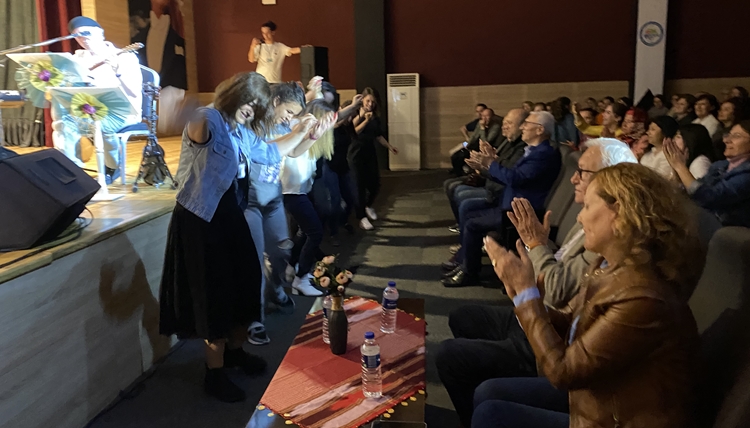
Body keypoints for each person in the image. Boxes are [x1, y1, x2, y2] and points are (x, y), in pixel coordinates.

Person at [476, 162, 702, 428]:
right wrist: (524, 295)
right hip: (600, 398)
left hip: (619, 417)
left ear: (620, 212)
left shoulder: (644, 297)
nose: (580, 218)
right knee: (488, 393)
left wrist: (527, 297)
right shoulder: (608, 266)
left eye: (587, 207)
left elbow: (563, 372)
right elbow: (575, 324)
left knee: (491, 413)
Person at [436, 138, 636, 428]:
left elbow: (565, 366)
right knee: (463, 319)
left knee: (481, 394)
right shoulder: (603, 242)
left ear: (615, 200)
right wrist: (525, 289)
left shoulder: (634, 282)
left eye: (582, 172)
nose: (579, 215)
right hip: (558, 337)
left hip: (601, 402)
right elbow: (571, 310)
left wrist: (527, 291)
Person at [159, 72, 279, 402]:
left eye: (258, 106)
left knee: (246, 282)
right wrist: (182, 108)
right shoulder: (209, 118)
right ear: (236, 93)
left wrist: (307, 133)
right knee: (214, 294)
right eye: (250, 101)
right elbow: (196, 122)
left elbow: (270, 152)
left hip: (228, 216)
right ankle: (214, 373)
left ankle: (235, 353)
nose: (252, 109)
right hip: (200, 221)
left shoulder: (238, 128)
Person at [239, 82, 331, 345]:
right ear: (275, 101)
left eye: (294, 114)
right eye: (289, 111)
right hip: (251, 202)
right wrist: (299, 130)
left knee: (282, 252)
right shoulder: (254, 125)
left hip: (273, 199)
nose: (289, 117)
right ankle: (255, 319)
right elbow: (266, 149)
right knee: (255, 260)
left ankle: (277, 288)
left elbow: (292, 151)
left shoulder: (283, 126)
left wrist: (313, 136)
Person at [442, 111, 561, 287]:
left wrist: (490, 164)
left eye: (527, 124)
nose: (523, 127)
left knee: (472, 223)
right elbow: (511, 178)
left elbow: (515, 178)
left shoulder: (543, 154)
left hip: (521, 212)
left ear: (540, 130)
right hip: (511, 204)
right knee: (469, 215)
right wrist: (488, 165)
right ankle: (464, 263)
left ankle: (469, 273)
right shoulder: (534, 151)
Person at [52, 17, 143, 183]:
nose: (83, 38)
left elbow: (134, 92)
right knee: (65, 122)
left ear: (101, 33)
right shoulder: (76, 60)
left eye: (87, 33)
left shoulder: (124, 57)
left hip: (123, 111)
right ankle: (71, 169)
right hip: (89, 110)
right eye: (77, 36)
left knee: (103, 123)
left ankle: (112, 168)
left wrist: (116, 71)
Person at [282, 99, 337, 292]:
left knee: (304, 231)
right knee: (315, 233)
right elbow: (293, 151)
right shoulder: (299, 127)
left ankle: (292, 266)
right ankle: (301, 279)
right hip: (291, 192)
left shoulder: (310, 131)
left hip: (298, 191)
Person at [665, 120, 750, 228]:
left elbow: (709, 198)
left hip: (727, 231)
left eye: (736, 136)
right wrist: (677, 170)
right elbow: (692, 191)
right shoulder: (720, 166)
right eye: (728, 135)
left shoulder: (747, 174)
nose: (726, 140)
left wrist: (680, 167)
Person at [349, 87, 398, 230]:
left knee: (375, 184)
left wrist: (389, 146)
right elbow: (353, 131)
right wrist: (364, 119)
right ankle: (361, 218)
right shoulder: (355, 112)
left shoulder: (375, 116)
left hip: (369, 153)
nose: (370, 104)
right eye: (368, 101)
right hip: (355, 154)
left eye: (373, 102)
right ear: (362, 100)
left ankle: (367, 206)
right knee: (359, 186)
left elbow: (378, 135)